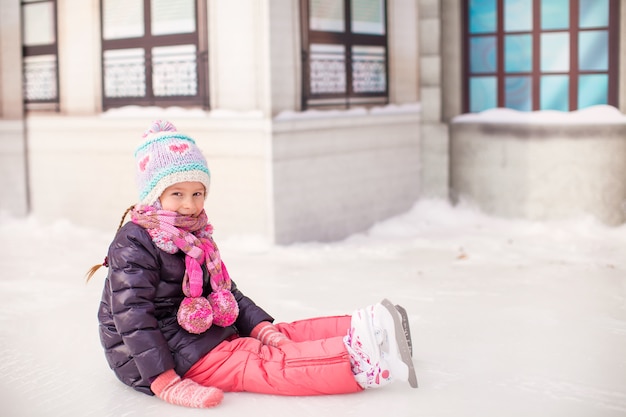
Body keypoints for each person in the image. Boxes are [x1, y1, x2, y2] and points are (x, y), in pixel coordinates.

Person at [86, 120, 417, 409]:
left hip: (194, 331)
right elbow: (132, 319)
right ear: (154, 195)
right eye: (177, 194)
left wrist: (259, 326)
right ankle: (355, 361)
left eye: (198, 193)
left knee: (276, 336)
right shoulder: (135, 242)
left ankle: (363, 327)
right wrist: (165, 381)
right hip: (154, 358)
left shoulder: (195, 234)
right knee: (257, 361)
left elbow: (224, 290)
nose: (189, 205)